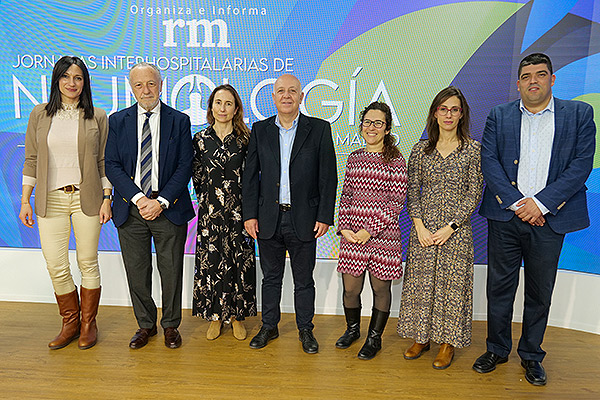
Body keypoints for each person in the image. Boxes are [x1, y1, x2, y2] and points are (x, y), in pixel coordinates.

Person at [473, 53, 595, 385]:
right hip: (505, 218)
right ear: (518, 83)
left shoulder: (580, 113)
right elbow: (490, 162)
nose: (533, 81)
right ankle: (497, 349)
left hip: (550, 219)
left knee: (540, 291)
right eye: (526, 76)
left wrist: (539, 205)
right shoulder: (500, 115)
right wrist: (517, 203)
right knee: (499, 288)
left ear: (552, 79)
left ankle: (531, 355)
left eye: (540, 75)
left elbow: (581, 165)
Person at [19, 56, 112, 350]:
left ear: (85, 83)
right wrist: (25, 199)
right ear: (57, 80)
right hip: (50, 198)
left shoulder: (97, 115)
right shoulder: (40, 114)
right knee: (56, 264)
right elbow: (31, 158)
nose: (72, 83)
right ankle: (70, 321)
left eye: (78, 78)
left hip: (88, 197)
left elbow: (103, 162)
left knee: (87, 261)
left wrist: (107, 198)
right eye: (66, 77)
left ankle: (88, 323)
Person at [242, 74, 337, 354]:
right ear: (273, 97)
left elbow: (327, 178)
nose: (286, 95)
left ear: (301, 97)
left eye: (292, 91)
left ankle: (305, 330)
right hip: (268, 218)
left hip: (305, 220)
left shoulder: (319, 129)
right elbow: (250, 178)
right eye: (281, 91)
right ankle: (269, 326)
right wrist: (250, 214)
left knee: (303, 279)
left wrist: (324, 216)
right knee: (270, 278)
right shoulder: (260, 130)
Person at [105, 62, 194, 350]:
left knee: (171, 271)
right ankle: (145, 325)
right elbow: (112, 165)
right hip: (131, 208)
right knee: (137, 271)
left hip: (169, 208)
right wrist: (140, 199)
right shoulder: (117, 121)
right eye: (139, 85)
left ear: (160, 85)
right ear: (131, 88)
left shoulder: (179, 120)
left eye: (151, 83)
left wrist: (161, 201)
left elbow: (185, 166)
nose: (146, 90)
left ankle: (170, 326)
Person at [397, 86, 483, 369]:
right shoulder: (421, 150)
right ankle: (421, 338)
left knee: (452, 287)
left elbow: (474, 192)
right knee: (421, 285)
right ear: (435, 113)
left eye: (454, 109)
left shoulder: (472, 149)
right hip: (423, 228)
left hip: (456, 231)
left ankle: (447, 343)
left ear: (462, 114)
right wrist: (419, 226)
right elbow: (412, 190)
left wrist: (451, 226)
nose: (448, 114)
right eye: (443, 109)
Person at [335, 102, 407, 360]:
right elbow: (346, 196)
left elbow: (396, 202)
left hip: (384, 239)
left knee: (380, 290)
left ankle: (374, 338)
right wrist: (343, 227)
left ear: (387, 128)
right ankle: (352, 330)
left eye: (378, 123)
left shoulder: (396, 160)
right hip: (352, 237)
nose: (372, 127)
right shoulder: (354, 158)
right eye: (367, 122)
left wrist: (370, 230)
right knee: (351, 290)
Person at [192, 84, 256, 340]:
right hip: (210, 214)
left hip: (241, 215)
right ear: (210, 107)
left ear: (236, 108)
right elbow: (197, 176)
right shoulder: (199, 140)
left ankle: (237, 317)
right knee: (213, 265)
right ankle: (216, 317)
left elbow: (253, 178)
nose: (223, 108)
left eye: (228, 103)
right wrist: (209, 203)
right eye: (218, 102)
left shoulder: (247, 139)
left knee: (239, 263)